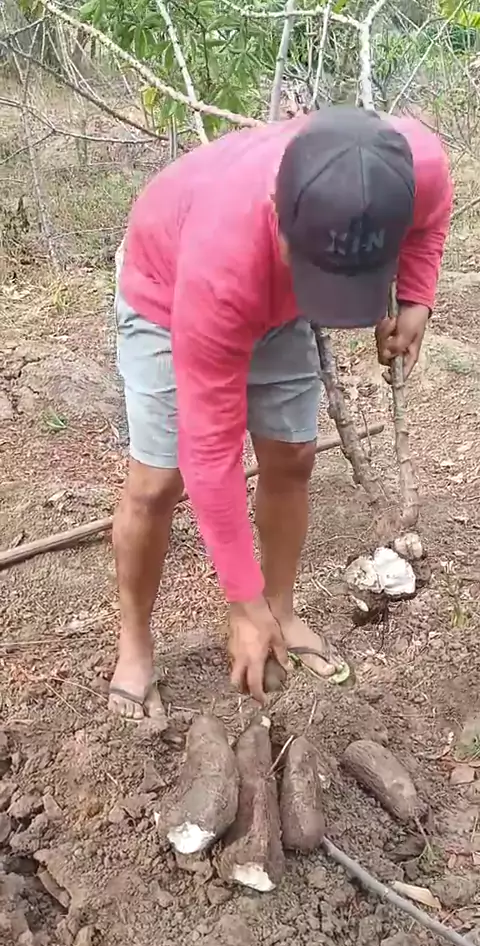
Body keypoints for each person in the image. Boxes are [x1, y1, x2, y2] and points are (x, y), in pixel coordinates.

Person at [110, 105, 452, 719]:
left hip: (272, 290)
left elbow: (430, 220)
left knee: (293, 456)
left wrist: (417, 298)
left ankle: (282, 610)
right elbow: (210, 451)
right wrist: (240, 600)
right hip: (169, 289)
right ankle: (135, 641)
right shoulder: (220, 260)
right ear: (280, 213)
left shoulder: (410, 165)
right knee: (158, 481)